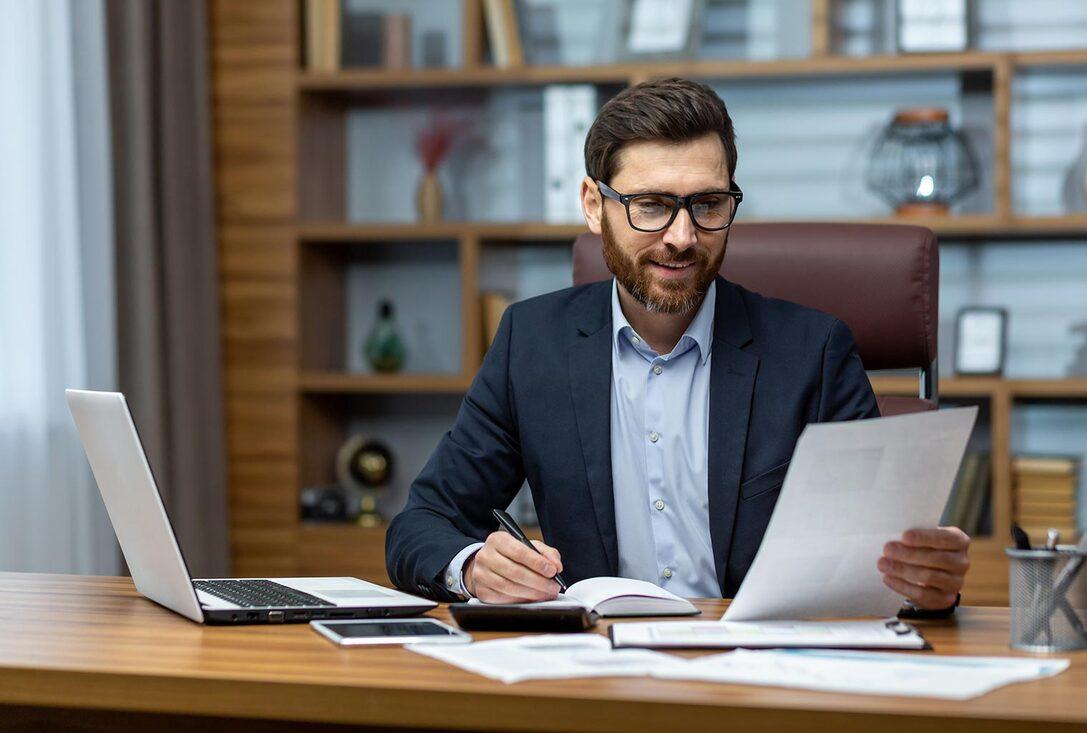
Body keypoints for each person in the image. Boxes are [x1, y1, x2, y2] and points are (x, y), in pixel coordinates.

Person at [386, 78, 969, 612]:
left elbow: (878, 562)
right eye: (652, 206)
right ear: (595, 206)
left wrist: (927, 583)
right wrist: (473, 569)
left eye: (708, 205)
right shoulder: (532, 343)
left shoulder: (813, 352)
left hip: (758, 668)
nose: (682, 237)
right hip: (594, 667)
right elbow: (422, 524)